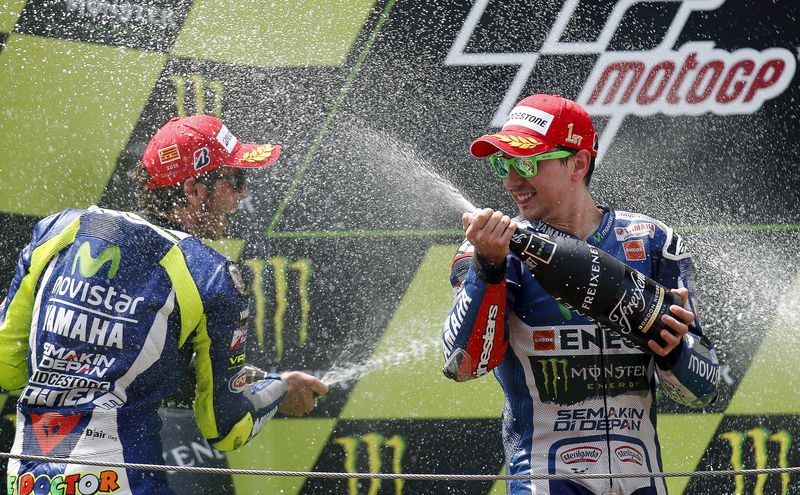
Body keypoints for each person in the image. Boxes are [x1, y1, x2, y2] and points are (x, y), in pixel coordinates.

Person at [0, 115, 328, 494]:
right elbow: (227, 429)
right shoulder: (211, 275)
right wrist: (280, 387)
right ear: (193, 189)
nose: (243, 195)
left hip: (27, 480)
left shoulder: (58, 230)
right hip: (125, 480)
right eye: (234, 181)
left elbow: (9, 370)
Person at [442, 94, 719, 495]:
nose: (510, 180)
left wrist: (674, 351)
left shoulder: (652, 241)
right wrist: (489, 266)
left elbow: (705, 391)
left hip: (640, 478)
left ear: (578, 163)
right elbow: (463, 364)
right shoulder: (489, 250)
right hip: (545, 476)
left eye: (526, 162)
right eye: (502, 164)